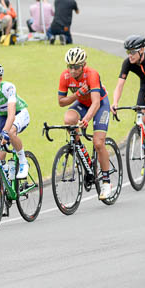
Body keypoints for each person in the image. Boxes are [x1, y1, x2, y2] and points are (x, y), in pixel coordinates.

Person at [57, 47, 113, 200]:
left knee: (98, 142)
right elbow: (61, 102)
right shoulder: (65, 76)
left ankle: (107, 183)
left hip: (100, 104)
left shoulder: (92, 74)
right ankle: (82, 154)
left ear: (84, 65)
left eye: (76, 67)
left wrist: (86, 120)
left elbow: (95, 103)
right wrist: (77, 94)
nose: (73, 70)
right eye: (70, 66)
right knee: (68, 120)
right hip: (81, 103)